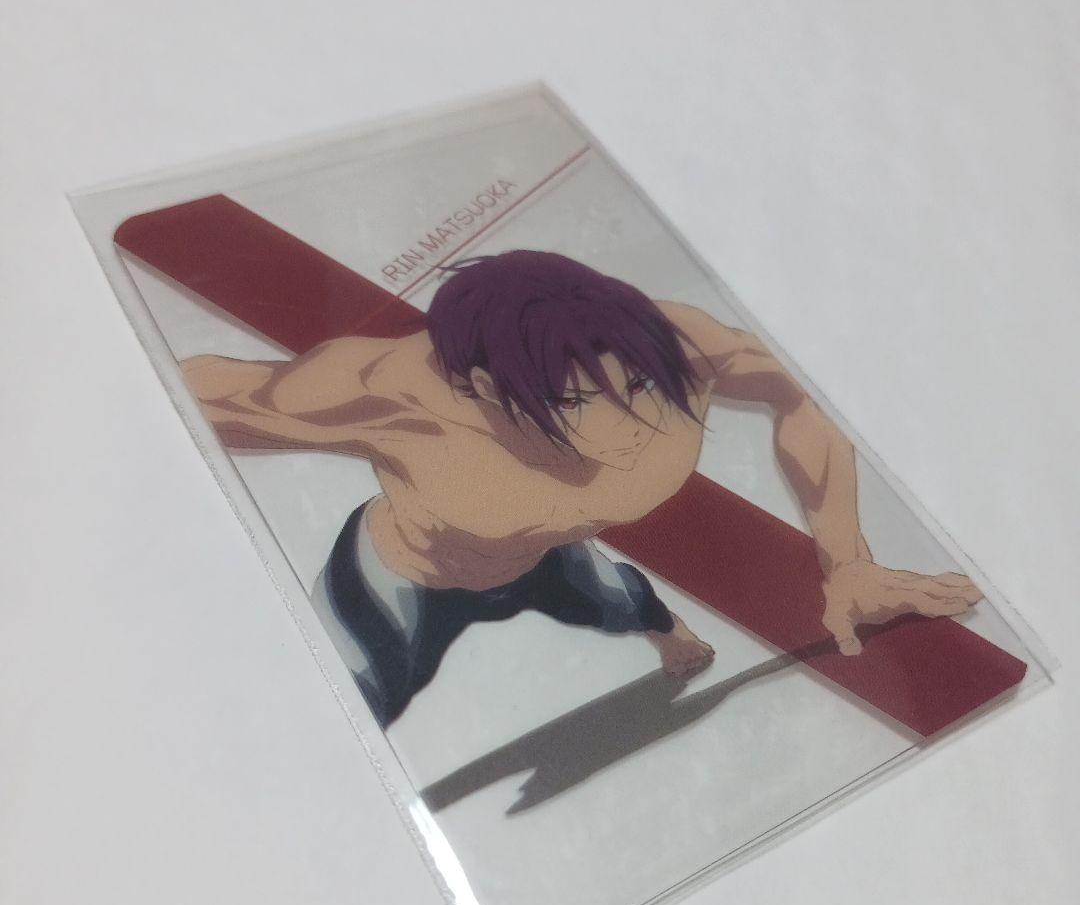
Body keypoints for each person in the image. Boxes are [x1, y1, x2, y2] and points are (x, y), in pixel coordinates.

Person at [180, 250, 981, 726]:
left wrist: (848, 560)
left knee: (621, 601)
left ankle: (669, 636)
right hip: (405, 577)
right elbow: (194, 390)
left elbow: (798, 399)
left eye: (637, 383)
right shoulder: (390, 394)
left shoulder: (682, 345)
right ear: (485, 390)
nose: (627, 422)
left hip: (551, 556)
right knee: (344, 715)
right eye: (572, 401)